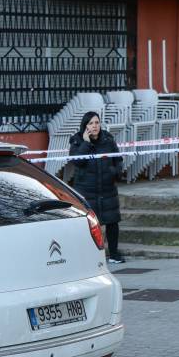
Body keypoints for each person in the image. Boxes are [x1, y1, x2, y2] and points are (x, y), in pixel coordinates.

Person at [68, 111, 125, 264]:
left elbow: (118, 160)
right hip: (87, 189)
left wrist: (114, 172)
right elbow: (77, 161)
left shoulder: (108, 139)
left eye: (97, 123)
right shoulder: (77, 141)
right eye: (91, 123)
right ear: (85, 126)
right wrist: (86, 143)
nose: (95, 126)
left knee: (112, 222)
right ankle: (90, 256)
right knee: (89, 224)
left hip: (107, 187)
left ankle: (114, 254)